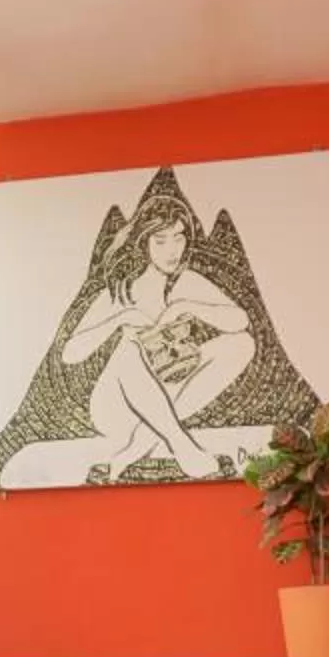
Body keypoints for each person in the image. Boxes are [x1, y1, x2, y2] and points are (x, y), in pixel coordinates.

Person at [57, 195, 259, 483]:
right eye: (161, 241)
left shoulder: (187, 282)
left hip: (170, 390)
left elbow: (241, 321)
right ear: (144, 243)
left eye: (179, 238)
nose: (172, 250)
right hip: (118, 405)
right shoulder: (121, 290)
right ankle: (182, 446)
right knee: (130, 348)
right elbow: (70, 353)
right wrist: (120, 319)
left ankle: (131, 452)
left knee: (242, 343)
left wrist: (187, 306)